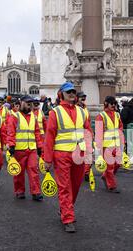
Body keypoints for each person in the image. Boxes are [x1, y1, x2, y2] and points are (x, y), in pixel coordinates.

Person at [43, 82, 93, 233]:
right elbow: (49, 136)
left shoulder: (83, 112)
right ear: (61, 94)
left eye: (73, 91)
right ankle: (68, 218)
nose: (72, 94)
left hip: (80, 154)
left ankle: (65, 209)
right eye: (68, 92)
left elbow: (88, 133)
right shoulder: (55, 112)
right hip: (61, 154)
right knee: (65, 187)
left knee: (76, 185)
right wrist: (47, 159)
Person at [6, 96, 44, 201]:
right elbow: (11, 132)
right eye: (27, 102)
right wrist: (11, 145)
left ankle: (36, 192)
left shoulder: (33, 117)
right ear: (21, 103)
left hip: (31, 149)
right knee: (19, 172)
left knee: (33, 171)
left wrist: (40, 146)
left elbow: (37, 133)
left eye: (30, 103)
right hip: (19, 149)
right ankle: (19, 191)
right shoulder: (15, 116)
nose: (29, 104)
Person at [95, 96, 125, 193]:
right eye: (111, 103)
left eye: (114, 103)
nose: (113, 105)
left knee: (118, 164)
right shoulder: (101, 116)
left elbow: (120, 126)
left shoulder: (117, 115)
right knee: (110, 166)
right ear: (106, 103)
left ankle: (105, 176)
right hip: (106, 146)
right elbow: (99, 132)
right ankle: (112, 186)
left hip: (116, 144)